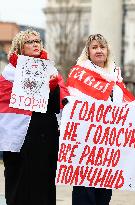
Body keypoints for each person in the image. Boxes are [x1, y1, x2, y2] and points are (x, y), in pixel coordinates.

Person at [66, 34, 135, 205]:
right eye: (94, 47)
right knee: (85, 192)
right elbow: (73, 104)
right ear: (88, 52)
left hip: (107, 145)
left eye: (102, 47)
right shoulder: (79, 73)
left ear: (107, 51)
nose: (99, 50)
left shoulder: (115, 76)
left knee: (104, 194)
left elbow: (126, 104)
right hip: (86, 143)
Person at [0, 29, 69, 205]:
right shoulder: (8, 75)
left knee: (44, 182)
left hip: (45, 135)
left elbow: (57, 105)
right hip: (21, 136)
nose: (35, 44)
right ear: (20, 47)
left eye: (38, 41)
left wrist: (53, 89)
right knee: (19, 181)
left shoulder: (51, 71)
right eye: (30, 42)